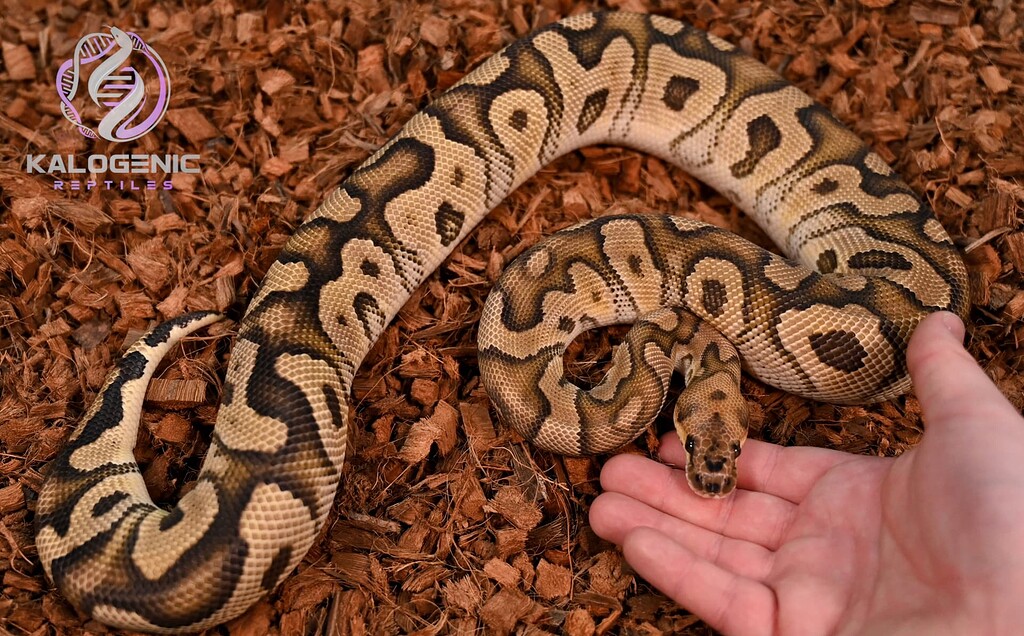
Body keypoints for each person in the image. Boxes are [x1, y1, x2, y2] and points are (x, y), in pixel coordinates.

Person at [590, 312, 1024, 635]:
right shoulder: (696, 377)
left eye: (735, 451)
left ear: (745, 429)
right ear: (681, 417)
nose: (713, 479)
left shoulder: (709, 391)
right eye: (692, 446)